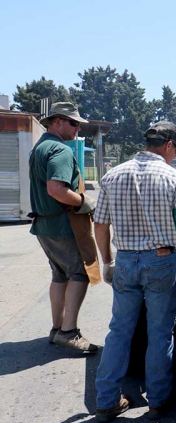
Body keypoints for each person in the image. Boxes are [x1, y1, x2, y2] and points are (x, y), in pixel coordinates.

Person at [93, 121, 176, 423]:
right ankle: (158, 400)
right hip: (160, 262)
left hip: (125, 262)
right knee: (160, 333)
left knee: (119, 332)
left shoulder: (112, 175)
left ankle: (106, 401)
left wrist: (108, 262)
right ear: (168, 145)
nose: (175, 154)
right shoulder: (173, 178)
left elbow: (100, 224)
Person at [29, 102, 99, 353]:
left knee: (59, 275)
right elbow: (56, 189)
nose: (78, 128)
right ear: (56, 121)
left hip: (45, 225)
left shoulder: (40, 147)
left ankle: (57, 328)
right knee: (79, 273)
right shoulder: (59, 150)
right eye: (73, 123)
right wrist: (84, 202)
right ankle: (68, 332)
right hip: (62, 225)